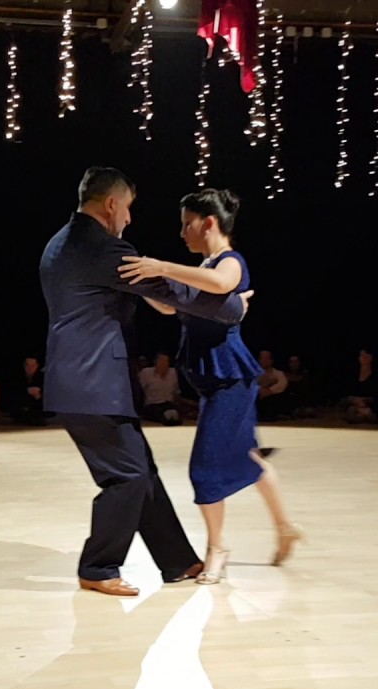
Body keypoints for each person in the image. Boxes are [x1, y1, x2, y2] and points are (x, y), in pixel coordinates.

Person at [40, 167, 253, 597]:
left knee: (142, 472)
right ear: (112, 204)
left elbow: (159, 298)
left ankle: (178, 561)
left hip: (81, 381)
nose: (130, 219)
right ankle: (98, 567)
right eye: (129, 209)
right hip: (92, 383)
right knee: (127, 478)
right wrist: (233, 309)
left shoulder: (59, 243)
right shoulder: (104, 249)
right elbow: (172, 293)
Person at [118, 187, 301, 585]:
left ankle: (217, 548)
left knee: (204, 471)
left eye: (187, 224)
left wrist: (162, 267)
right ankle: (285, 527)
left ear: (209, 223)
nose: (182, 232)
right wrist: (140, 283)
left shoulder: (230, 263)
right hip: (213, 384)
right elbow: (171, 305)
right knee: (246, 459)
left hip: (230, 381)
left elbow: (221, 284)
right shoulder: (200, 269)